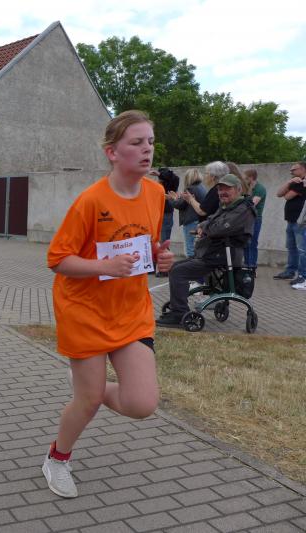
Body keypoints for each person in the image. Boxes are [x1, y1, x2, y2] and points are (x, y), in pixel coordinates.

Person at [44, 110, 173, 499]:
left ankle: (92, 386)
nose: (147, 149)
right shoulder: (91, 200)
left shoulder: (156, 194)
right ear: (112, 152)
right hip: (84, 312)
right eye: (136, 142)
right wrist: (104, 266)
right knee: (88, 401)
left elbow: (145, 246)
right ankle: (57, 459)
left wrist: (161, 258)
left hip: (131, 311)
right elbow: (57, 259)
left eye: (150, 142)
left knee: (142, 404)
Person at [157, 174, 256, 327]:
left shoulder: (244, 209)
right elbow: (210, 221)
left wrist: (205, 228)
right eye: (220, 189)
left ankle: (179, 314)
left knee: (179, 272)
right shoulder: (228, 206)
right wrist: (203, 226)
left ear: (238, 189)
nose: (222, 192)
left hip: (224, 256)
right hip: (212, 253)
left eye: (227, 189)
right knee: (175, 267)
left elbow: (218, 228)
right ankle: (178, 308)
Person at [273, 162, 306, 284]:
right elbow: (279, 193)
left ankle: (302, 275)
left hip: (300, 222)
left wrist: (290, 186)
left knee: (302, 250)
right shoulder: (294, 182)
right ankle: (290, 271)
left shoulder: (303, 183)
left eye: (293, 170)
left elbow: (287, 196)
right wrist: (289, 182)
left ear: (302, 169)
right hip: (291, 220)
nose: (291, 172)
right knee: (291, 247)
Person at [172, 169, 207, 259]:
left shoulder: (190, 189)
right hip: (200, 220)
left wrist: (174, 199)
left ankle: (191, 266)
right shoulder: (202, 187)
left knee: (190, 247)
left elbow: (180, 205)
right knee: (197, 247)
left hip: (191, 220)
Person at [242, 169, 266, 270]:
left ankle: (251, 267)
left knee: (252, 242)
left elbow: (251, 204)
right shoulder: (246, 188)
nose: (243, 179)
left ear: (251, 178)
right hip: (246, 218)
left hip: (255, 219)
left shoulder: (260, 189)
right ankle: (246, 265)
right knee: (245, 242)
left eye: (245, 178)